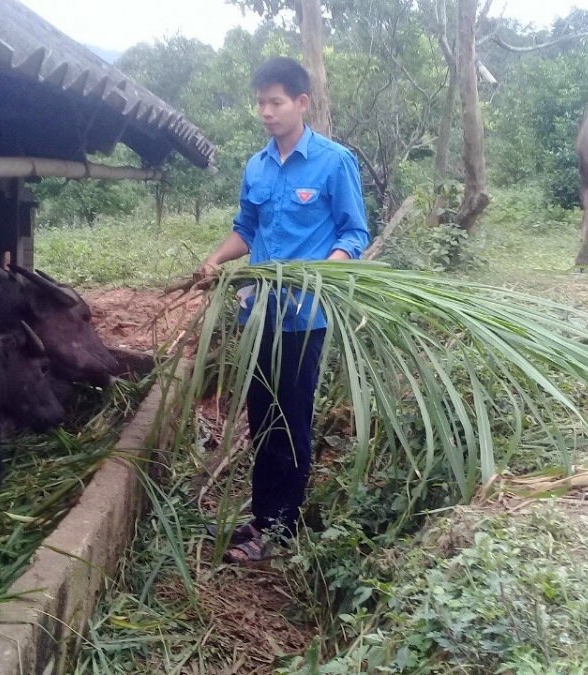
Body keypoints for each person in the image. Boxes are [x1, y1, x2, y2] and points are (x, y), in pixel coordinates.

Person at [193, 56, 370, 564]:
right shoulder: (257, 165)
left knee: (290, 421)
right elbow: (246, 229)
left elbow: (353, 233)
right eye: (260, 103)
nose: (265, 112)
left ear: (301, 103)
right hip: (257, 315)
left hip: (303, 317)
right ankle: (261, 518)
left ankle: (281, 528)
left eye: (275, 102)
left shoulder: (334, 162)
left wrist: (326, 269)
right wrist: (213, 259)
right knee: (261, 415)